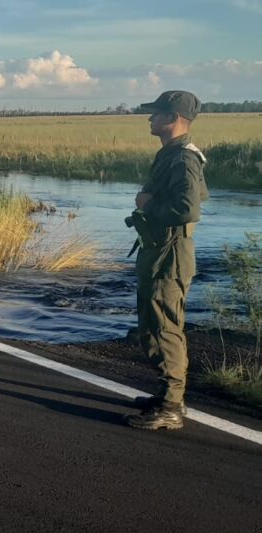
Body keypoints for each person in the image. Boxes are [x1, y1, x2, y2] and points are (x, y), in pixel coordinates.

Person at [126, 90, 210, 430]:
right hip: (160, 252)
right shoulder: (172, 154)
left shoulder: (182, 159)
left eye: (157, 113)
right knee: (153, 325)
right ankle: (168, 396)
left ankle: (172, 407)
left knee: (165, 329)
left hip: (169, 255)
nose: (150, 118)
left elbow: (189, 208)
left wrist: (148, 206)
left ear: (174, 118)